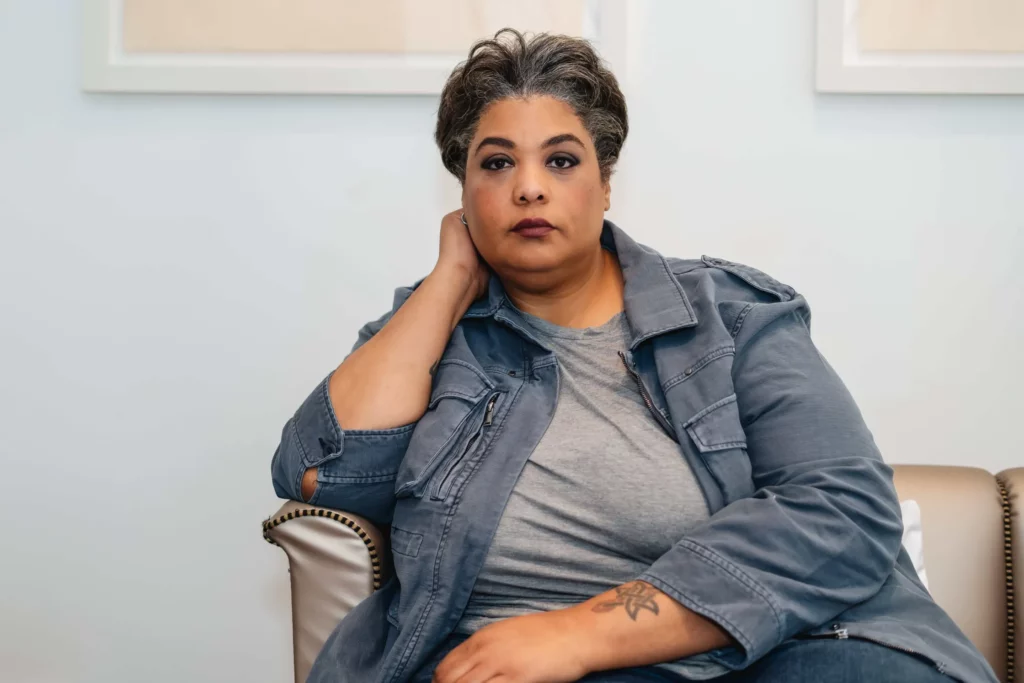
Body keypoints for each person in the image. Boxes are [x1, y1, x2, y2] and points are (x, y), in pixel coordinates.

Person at [271, 28, 996, 683]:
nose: (529, 186)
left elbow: (843, 509)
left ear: (606, 182)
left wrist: (578, 632)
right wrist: (451, 277)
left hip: (772, 653)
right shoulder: (429, 336)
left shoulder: (733, 317)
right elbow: (319, 471)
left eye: (560, 159)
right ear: (462, 192)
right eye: (495, 164)